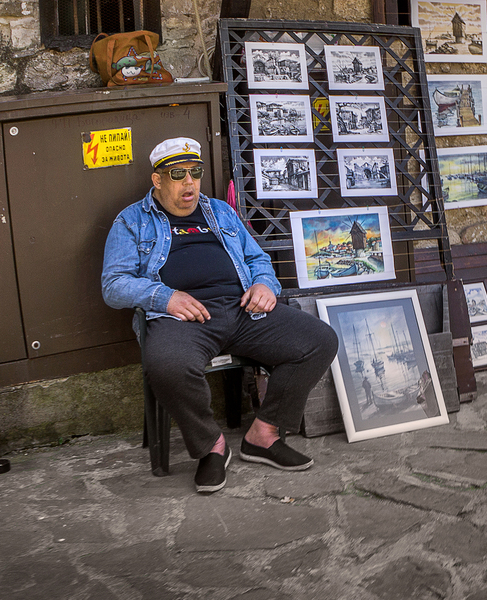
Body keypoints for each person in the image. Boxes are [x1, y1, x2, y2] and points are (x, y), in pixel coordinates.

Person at [102, 137, 339, 494]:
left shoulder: (220, 211)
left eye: (195, 173)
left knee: (319, 340)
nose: (189, 184)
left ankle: (264, 433)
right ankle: (211, 446)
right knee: (166, 364)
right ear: (158, 180)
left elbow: (258, 259)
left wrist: (264, 285)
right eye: (177, 174)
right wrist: (164, 298)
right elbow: (113, 284)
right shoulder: (132, 220)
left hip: (243, 311)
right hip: (182, 319)